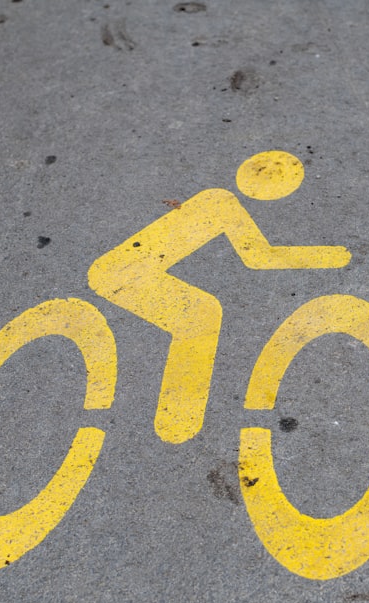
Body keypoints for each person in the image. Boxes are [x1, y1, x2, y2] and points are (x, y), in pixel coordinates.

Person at [88, 151, 351, 444]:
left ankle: (177, 415)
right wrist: (330, 256)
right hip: (122, 276)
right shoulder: (218, 202)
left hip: (116, 271)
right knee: (201, 312)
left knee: (200, 311)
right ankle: (178, 417)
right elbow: (258, 256)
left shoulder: (217, 197)